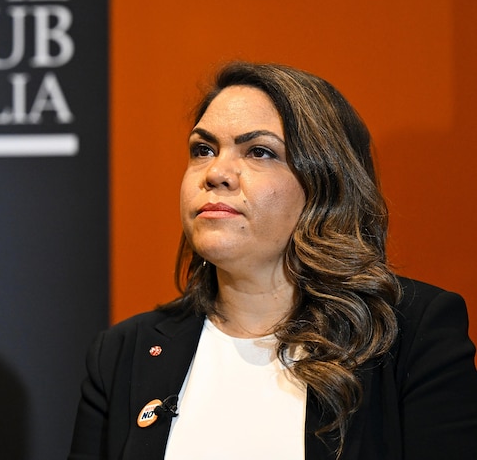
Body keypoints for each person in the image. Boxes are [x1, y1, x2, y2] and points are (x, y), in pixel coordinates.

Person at [68, 62, 477, 460]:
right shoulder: (123, 353)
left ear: (325, 185)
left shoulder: (411, 334)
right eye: (203, 149)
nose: (216, 172)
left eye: (260, 152)